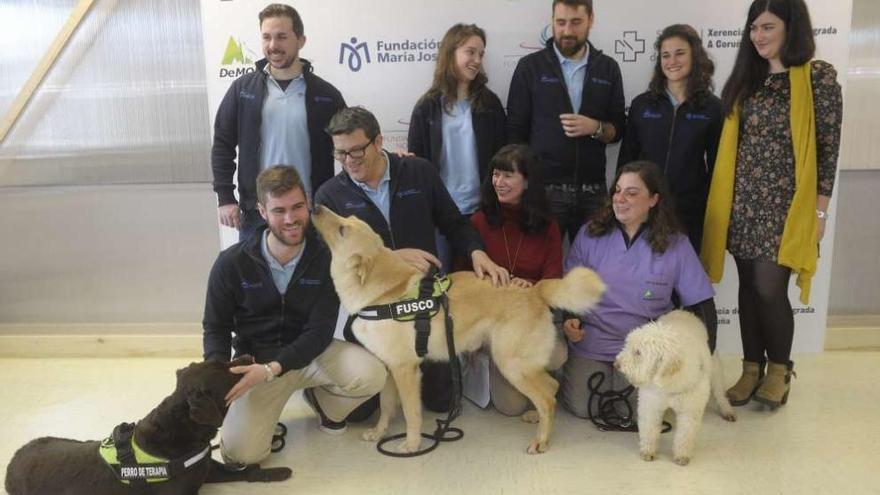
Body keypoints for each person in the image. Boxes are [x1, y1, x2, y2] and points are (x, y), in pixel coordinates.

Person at [314, 106, 509, 413]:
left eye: (356, 152)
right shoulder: (330, 195)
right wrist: (392, 256)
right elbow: (331, 261)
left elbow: (453, 222)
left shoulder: (419, 172)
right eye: (340, 154)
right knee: (361, 412)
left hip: (423, 307)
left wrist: (477, 251)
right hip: (372, 313)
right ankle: (324, 391)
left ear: (378, 142)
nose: (349, 162)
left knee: (442, 403)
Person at [702, 0, 842, 409]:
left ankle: (780, 369)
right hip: (744, 203)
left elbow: (828, 150)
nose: (758, 36)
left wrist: (819, 211)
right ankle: (751, 369)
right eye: (753, 29)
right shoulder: (748, 80)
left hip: (787, 206)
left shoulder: (817, 77)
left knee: (768, 289)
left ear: (790, 27)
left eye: (767, 27)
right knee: (747, 289)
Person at [203, 165, 386, 468]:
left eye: (298, 207)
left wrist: (276, 368)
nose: (290, 219)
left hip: (312, 353)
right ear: (262, 211)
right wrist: (220, 375)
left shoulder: (326, 257)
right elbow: (215, 327)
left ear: (308, 203)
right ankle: (263, 413)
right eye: (279, 210)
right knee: (240, 455)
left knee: (373, 375)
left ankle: (323, 405)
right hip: (257, 364)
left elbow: (320, 331)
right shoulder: (231, 264)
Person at [561, 161, 717, 421]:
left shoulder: (676, 244)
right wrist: (568, 319)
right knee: (582, 407)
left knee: (632, 413)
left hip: (644, 350)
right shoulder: (590, 234)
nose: (620, 199)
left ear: (654, 199)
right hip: (593, 340)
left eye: (632, 193)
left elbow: (701, 305)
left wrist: (701, 365)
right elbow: (568, 289)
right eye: (617, 191)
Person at [211, 3, 345, 241]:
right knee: (254, 278)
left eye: (282, 37)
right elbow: (222, 143)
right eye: (267, 37)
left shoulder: (326, 95)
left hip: (312, 213)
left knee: (315, 278)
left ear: (301, 40)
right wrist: (225, 198)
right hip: (257, 214)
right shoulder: (242, 90)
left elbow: (350, 147)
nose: (273, 45)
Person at [458, 144, 567, 416]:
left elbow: (553, 281)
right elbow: (462, 278)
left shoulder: (549, 227)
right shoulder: (479, 221)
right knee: (511, 407)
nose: (499, 182)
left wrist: (530, 290)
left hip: (530, 318)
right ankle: (512, 368)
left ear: (528, 181)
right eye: (496, 174)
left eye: (508, 176)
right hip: (491, 326)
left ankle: (533, 379)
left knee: (556, 355)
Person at [507, 0, 625, 243]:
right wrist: (525, 184)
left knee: (593, 275)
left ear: (591, 20)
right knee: (541, 275)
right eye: (560, 23)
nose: (567, 31)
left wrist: (596, 128)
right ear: (552, 21)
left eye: (576, 22)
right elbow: (515, 133)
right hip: (544, 191)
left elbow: (619, 130)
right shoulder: (530, 67)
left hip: (594, 191)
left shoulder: (608, 68)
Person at [408, 23, 507, 271]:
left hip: (481, 212)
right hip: (440, 214)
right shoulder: (427, 107)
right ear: (451, 52)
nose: (477, 60)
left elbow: (505, 156)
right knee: (440, 285)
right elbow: (416, 163)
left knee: (479, 288)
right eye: (470, 52)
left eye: (481, 54)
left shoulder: (490, 103)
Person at [618, 24, 722, 253]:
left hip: (688, 212)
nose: (672, 61)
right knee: (641, 282)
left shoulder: (713, 108)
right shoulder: (641, 104)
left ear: (695, 56)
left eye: (679, 53)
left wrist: (707, 207)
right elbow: (626, 160)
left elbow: (717, 168)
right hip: (642, 209)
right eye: (666, 55)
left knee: (679, 283)